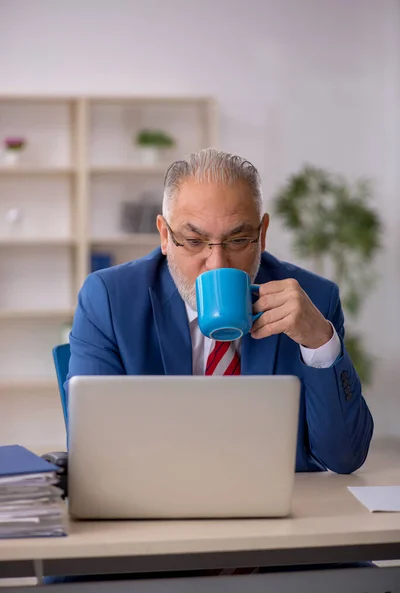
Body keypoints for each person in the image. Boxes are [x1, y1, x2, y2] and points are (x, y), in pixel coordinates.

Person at [68, 148, 373, 475]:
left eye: (238, 240)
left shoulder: (314, 299)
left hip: (280, 507)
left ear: (262, 234)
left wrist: (319, 343)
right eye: (194, 241)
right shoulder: (110, 300)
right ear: (165, 236)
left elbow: (345, 457)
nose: (217, 264)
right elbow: (95, 451)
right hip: (158, 506)